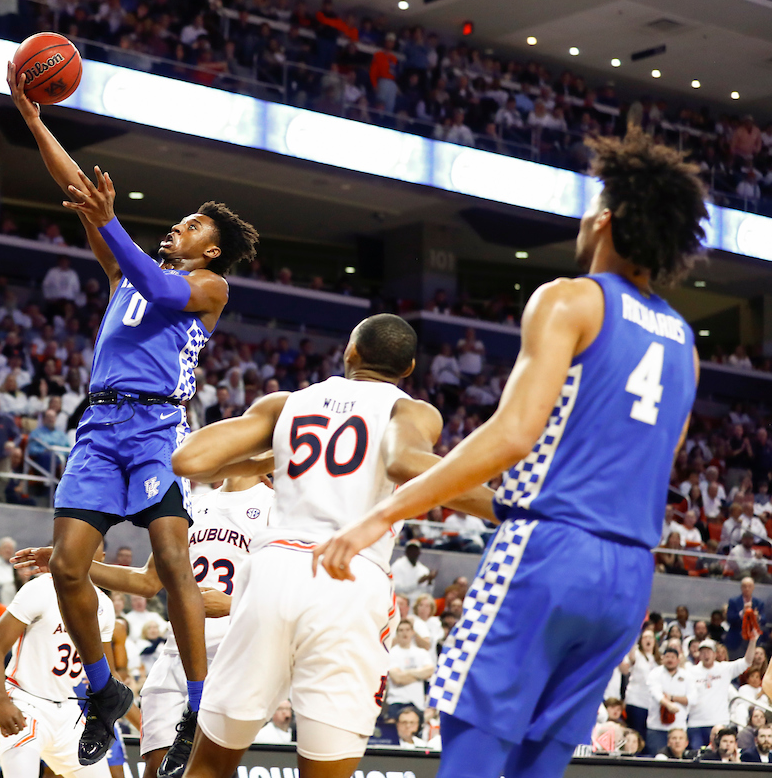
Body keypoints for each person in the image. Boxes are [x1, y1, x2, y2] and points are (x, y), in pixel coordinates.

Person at [310, 131, 706, 778]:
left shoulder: (570, 298)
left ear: (605, 219)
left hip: (550, 550)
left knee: (475, 747)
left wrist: (382, 515)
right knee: (539, 764)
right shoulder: (686, 342)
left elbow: (513, 434)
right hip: (632, 574)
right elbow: (663, 456)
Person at [7, 62, 260, 777]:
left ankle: (197, 709)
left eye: (192, 225)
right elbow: (79, 195)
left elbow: (152, 278)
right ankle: (102, 692)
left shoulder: (209, 286)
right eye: (179, 222)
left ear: (209, 249)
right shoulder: (122, 272)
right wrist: (31, 117)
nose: (177, 228)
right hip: (98, 428)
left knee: (173, 565)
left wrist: (110, 221)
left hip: (156, 429)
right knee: (64, 567)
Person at [168, 314, 493, 778]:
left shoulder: (289, 402)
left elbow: (190, 460)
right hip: (350, 575)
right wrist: (508, 508)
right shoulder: (411, 410)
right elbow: (406, 463)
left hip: (273, 571)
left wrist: (272, 455)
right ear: (410, 368)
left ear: (350, 353)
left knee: (210, 765)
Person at [13, 472, 274, 778]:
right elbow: (148, 580)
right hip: (179, 652)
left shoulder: (275, 506)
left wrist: (232, 604)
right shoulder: (193, 504)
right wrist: (72, 562)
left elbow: (295, 591)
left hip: (234, 653)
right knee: (154, 768)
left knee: (203, 770)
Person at [0, 561, 114, 778]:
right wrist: (1, 700)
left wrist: (140, 725)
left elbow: (109, 676)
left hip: (69, 709)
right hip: (25, 703)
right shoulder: (41, 588)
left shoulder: (105, 605)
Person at [687, 637, 758, 751]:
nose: (706, 655)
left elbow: (747, 661)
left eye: (709, 652)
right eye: (703, 652)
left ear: (715, 654)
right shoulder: (690, 671)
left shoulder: (724, 668)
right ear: (699, 654)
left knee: (719, 756)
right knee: (697, 756)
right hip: (695, 723)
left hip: (719, 722)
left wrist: (753, 641)